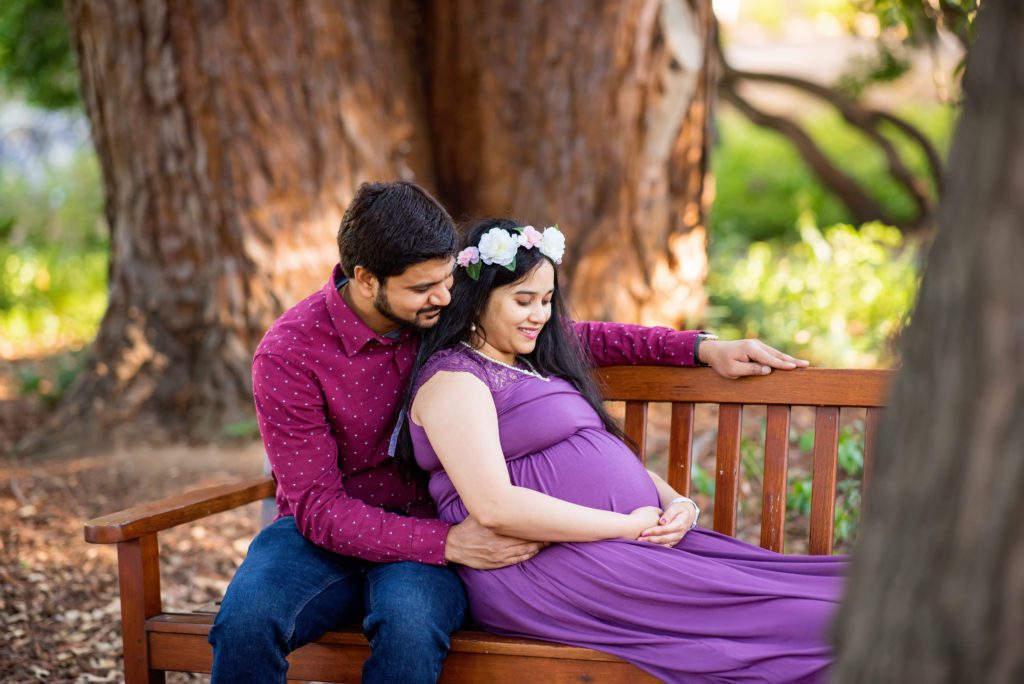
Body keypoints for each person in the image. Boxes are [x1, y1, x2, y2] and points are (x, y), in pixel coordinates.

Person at [209, 181, 806, 683]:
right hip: (340, 537)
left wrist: (700, 348)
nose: (445, 297)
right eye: (423, 288)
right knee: (246, 622)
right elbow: (318, 506)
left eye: (448, 279)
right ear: (365, 279)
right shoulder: (291, 353)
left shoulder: (439, 310)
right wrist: (448, 544)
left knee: (410, 627)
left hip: (430, 524)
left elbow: (575, 336)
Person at [402, 218, 842, 683]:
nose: (540, 316)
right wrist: (627, 526)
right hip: (544, 567)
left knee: (817, 594)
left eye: (547, 300)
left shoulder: (532, 361)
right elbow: (496, 507)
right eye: (523, 300)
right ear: (477, 299)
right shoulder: (456, 380)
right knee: (807, 620)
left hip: (624, 545)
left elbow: (596, 449)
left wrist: (677, 503)